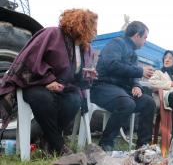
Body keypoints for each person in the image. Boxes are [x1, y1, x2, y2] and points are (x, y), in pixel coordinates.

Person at [0, 9, 98, 155]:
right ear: (81, 24)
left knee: (74, 100)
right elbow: (29, 59)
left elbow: (74, 76)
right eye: (93, 26)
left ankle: (48, 140)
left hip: (62, 88)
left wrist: (86, 75)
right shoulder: (52, 34)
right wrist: (48, 80)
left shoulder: (84, 48)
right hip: (35, 84)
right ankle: (59, 146)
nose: (95, 31)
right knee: (43, 98)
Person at [91, 21, 156, 151]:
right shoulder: (116, 43)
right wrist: (141, 71)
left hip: (121, 91)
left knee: (149, 102)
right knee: (127, 104)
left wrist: (137, 86)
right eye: (145, 38)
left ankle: (143, 146)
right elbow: (112, 65)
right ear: (137, 35)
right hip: (103, 87)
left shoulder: (133, 54)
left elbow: (133, 76)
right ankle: (106, 143)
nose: (145, 42)